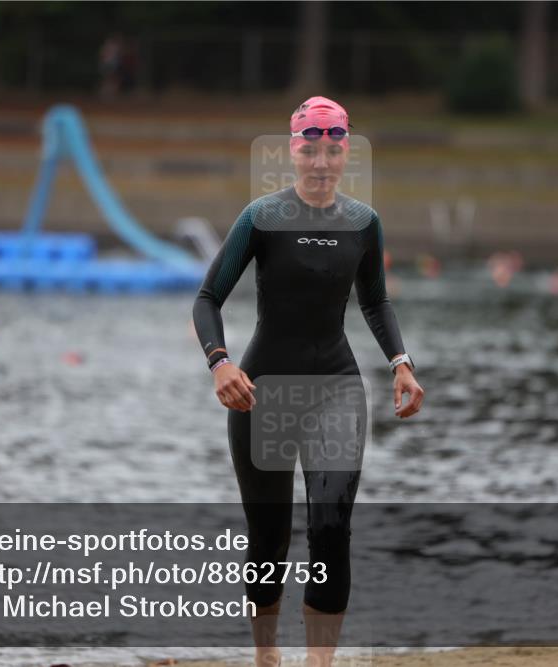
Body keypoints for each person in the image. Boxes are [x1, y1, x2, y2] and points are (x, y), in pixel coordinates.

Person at [192, 96, 424, 667]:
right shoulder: (261, 218)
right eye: (309, 149)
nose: (321, 161)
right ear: (292, 152)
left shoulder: (363, 223)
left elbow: (375, 301)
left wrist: (401, 362)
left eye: (333, 150)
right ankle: (267, 656)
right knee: (268, 537)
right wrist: (220, 363)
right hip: (262, 392)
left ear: (346, 154)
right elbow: (207, 298)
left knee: (331, 526)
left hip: (336, 388)